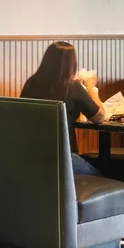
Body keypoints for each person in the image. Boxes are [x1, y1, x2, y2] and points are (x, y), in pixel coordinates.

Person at [19, 41, 106, 177]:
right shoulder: (72, 87)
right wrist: (91, 88)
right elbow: (100, 117)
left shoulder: (31, 83)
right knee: (104, 176)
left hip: (31, 158)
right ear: (72, 64)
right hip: (64, 160)